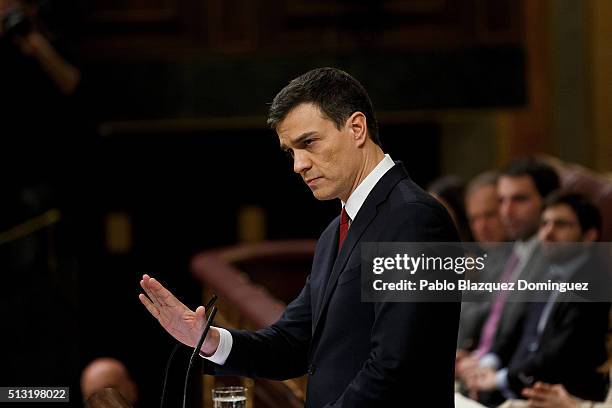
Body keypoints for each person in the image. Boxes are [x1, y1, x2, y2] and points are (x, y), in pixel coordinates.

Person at [139, 67, 461, 407]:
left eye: (309, 143)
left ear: (356, 128)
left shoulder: (415, 218)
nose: (298, 165)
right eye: (291, 151)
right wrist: (207, 340)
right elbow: (292, 343)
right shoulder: (333, 233)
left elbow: (397, 368)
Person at [467, 192, 610, 405]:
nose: (548, 233)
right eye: (544, 224)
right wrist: (488, 364)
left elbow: (559, 356)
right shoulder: (548, 273)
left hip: (557, 397)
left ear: (589, 236)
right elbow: (515, 331)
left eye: (561, 225)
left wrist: (497, 380)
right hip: (516, 387)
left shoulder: (596, 285)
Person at [457, 158, 560, 400]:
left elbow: (525, 339)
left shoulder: (552, 260)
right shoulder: (516, 253)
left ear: (548, 202)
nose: (507, 211)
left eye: (520, 200)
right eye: (502, 201)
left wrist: (485, 368)